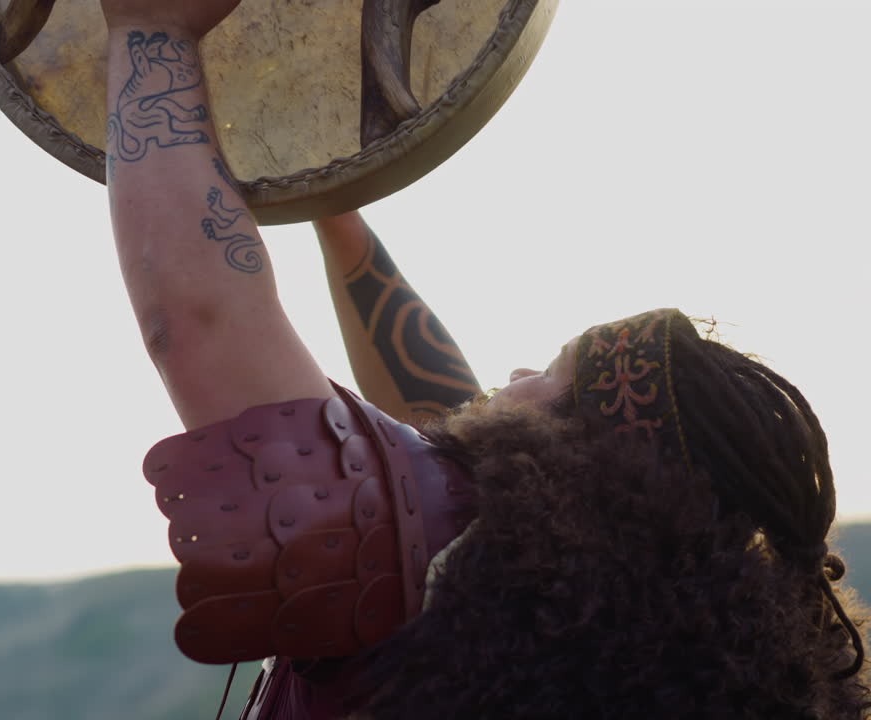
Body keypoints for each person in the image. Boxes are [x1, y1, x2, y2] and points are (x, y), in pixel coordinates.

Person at [99, 1, 871, 717]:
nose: (516, 377)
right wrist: (332, 202)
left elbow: (198, 319)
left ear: (585, 473)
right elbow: (437, 406)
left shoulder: (457, 564)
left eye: (550, 375)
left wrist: (151, 29)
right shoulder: (572, 632)